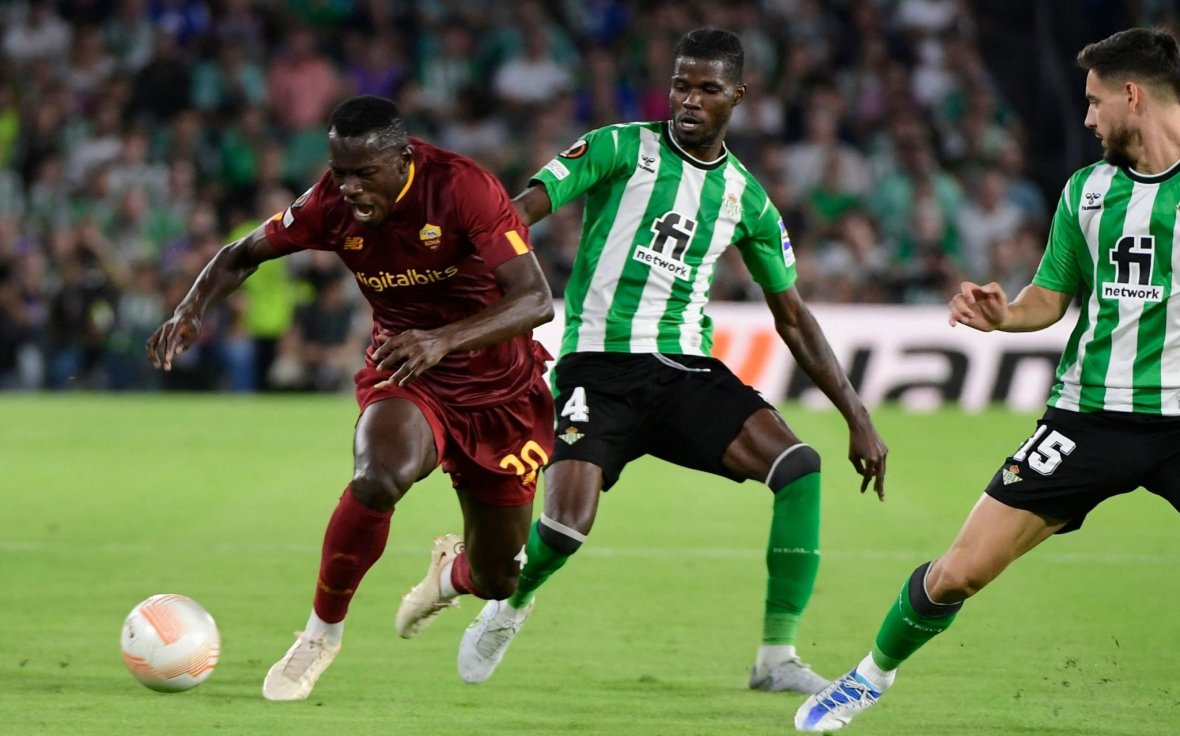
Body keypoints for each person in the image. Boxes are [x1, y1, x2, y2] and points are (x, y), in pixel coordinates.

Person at [453, 28, 889, 694]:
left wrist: (858, 417)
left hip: (681, 367)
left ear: (738, 96)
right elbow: (518, 214)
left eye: (708, 89)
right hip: (597, 363)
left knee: (799, 467)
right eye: (681, 85)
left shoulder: (746, 198)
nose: (689, 100)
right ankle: (510, 605)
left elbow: (794, 317)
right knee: (564, 529)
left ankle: (776, 657)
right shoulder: (617, 146)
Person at [796, 27, 1180, 732]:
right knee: (960, 572)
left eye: (1095, 102)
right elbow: (1051, 298)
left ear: (1133, 96)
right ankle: (868, 678)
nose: (1087, 118)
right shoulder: (1088, 191)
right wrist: (1004, 316)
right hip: (1088, 416)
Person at [145, 95, 556, 701]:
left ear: (403, 159)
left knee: (497, 579)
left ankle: (450, 575)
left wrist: (442, 339)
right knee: (377, 475)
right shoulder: (329, 205)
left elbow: (535, 300)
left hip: (500, 389)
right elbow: (242, 254)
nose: (350, 188)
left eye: (365, 173)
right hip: (408, 371)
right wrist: (191, 306)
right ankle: (319, 635)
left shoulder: (462, 188)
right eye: (340, 172)